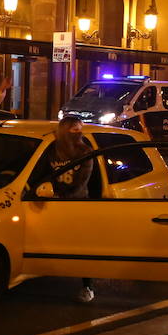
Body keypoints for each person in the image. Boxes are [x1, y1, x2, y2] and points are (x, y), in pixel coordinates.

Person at [35, 116, 98, 303]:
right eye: (73, 129)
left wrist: (64, 197)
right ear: (64, 131)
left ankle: (87, 286)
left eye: (79, 129)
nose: (78, 133)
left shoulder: (85, 151)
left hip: (78, 204)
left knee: (82, 247)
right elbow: (42, 173)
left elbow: (81, 183)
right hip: (52, 200)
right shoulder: (52, 150)